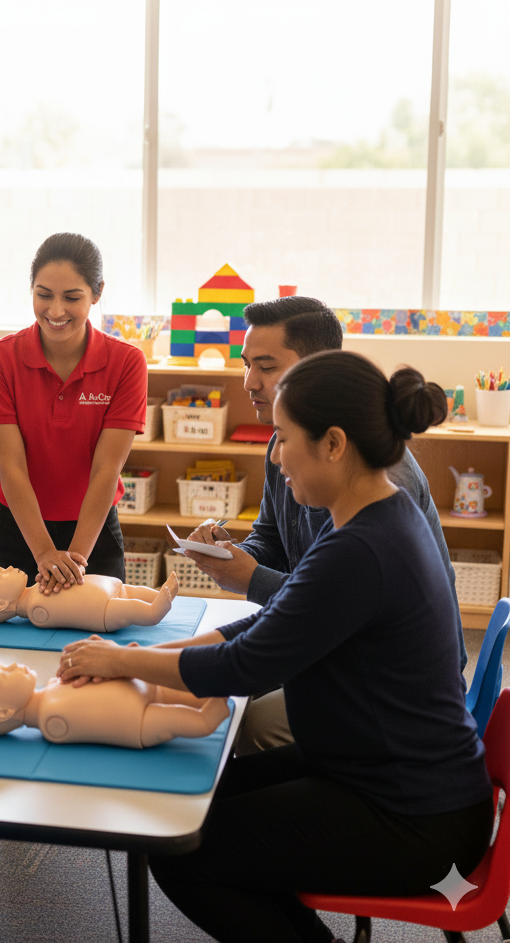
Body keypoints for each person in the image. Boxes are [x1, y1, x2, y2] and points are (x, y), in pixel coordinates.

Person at [57, 352, 492, 943]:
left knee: (180, 848)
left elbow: (244, 665)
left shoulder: (359, 549)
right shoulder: (365, 519)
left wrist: (118, 659)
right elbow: (272, 626)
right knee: (192, 803)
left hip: (412, 815)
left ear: (334, 443)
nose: (278, 455)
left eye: (285, 439)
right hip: (376, 771)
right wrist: (156, 659)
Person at [186, 296, 464, 754]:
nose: (249, 382)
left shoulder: (376, 484)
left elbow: (332, 603)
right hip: (341, 644)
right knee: (219, 688)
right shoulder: (286, 441)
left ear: (316, 371)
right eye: (246, 364)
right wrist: (235, 555)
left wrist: (250, 579)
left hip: (385, 678)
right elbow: (272, 538)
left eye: (267, 367)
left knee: (245, 720)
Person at [0, 232, 149, 594]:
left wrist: (75, 560)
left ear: (97, 293)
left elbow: (106, 470)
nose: (55, 311)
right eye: (43, 295)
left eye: (72, 297)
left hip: (93, 532)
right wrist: (44, 552)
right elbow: (13, 468)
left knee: (97, 641)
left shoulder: (126, 363)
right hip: (14, 527)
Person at [0, 660, 229, 746]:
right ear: (3, 712)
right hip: (138, 720)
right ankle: (209, 717)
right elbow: (97, 722)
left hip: (141, 688)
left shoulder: (50, 688)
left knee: (185, 693)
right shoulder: (52, 721)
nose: (14, 665)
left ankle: (218, 692)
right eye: (5, 673)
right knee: (179, 718)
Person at [0, 564, 178, 631]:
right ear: (0, 604)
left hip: (107, 589)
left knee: (132, 590)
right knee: (129, 608)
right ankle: (153, 612)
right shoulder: (37, 610)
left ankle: (159, 596)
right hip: (103, 610)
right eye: (2, 573)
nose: (10, 567)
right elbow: (72, 612)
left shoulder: (38, 586)